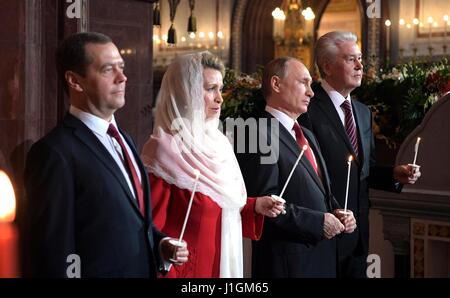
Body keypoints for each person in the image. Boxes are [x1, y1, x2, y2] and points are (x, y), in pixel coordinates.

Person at [23, 32, 188, 278]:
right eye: (107, 70)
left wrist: (161, 245)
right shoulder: (54, 153)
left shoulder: (123, 138)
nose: (122, 78)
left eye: (121, 67)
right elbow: (53, 254)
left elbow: (135, 221)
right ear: (75, 81)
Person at [140, 52, 284, 278]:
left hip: (224, 267)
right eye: (210, 89)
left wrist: (253, 206)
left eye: (220, 88)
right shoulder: (163, 150)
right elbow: (147, 228)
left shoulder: (220, 144)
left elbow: (220, 203)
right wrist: (165, 248)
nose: (220, 98)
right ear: (185, 93)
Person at [299, 31, 421, 278]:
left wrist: (395, 175)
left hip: (358, 238)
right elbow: (306, 175)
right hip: (324, 233)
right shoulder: (307, 109)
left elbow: (363, 171)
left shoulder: (363, 112)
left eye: (360, 58)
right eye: (350, 59)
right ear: (327, 66)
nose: (360, 65)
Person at [235, 57, 357, 278]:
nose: (311, 92)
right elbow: (265, 206)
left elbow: (320, 191)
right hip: (288, 264)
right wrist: (318, 222)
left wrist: (338, 212)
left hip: (322, 259)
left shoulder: (306, 133)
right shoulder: (256, 133)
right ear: (276, 84)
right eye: (303, 83)